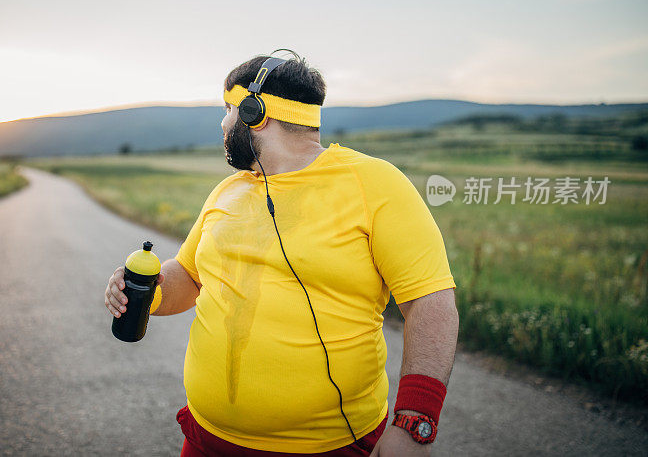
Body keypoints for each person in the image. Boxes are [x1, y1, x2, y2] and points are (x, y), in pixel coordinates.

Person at [105, 52, 459, 456]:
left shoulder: (375, 184)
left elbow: (430, 301)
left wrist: (414, 425)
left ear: (256, 113)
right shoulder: (228, 190)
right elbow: (189, 276)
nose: (222, 124)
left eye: (227, 110)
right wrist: (144, 291)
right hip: (206, 439)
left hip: (329, 447)